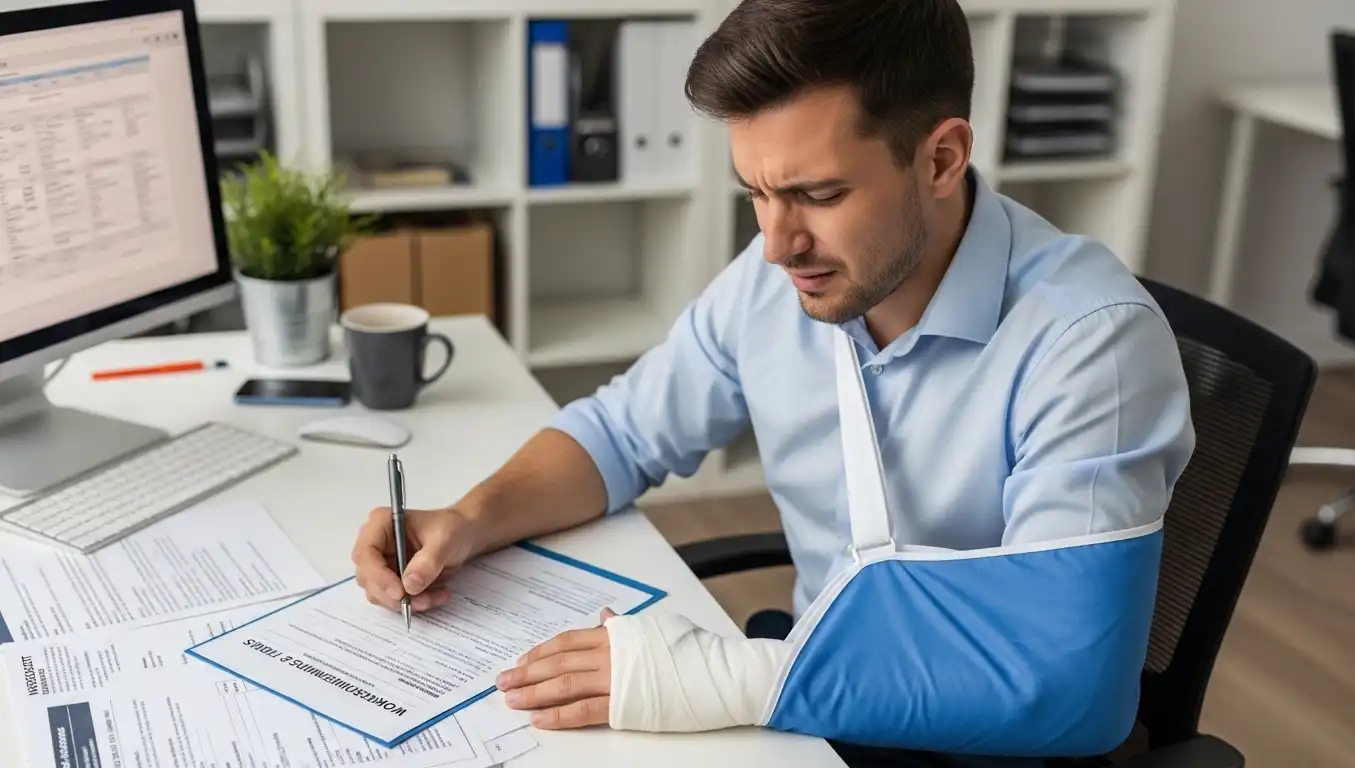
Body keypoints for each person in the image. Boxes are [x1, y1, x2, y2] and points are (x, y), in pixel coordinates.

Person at [350, 1, 1195, 765]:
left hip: (979, 746)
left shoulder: (1090, 345)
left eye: (817, 193)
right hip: (813, 704)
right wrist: (470, 516)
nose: (777, 243)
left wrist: (727, 681)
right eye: (756, 192)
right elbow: (621, 434)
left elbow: (1072, 693)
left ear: (942, 157)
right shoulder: (781, 282)